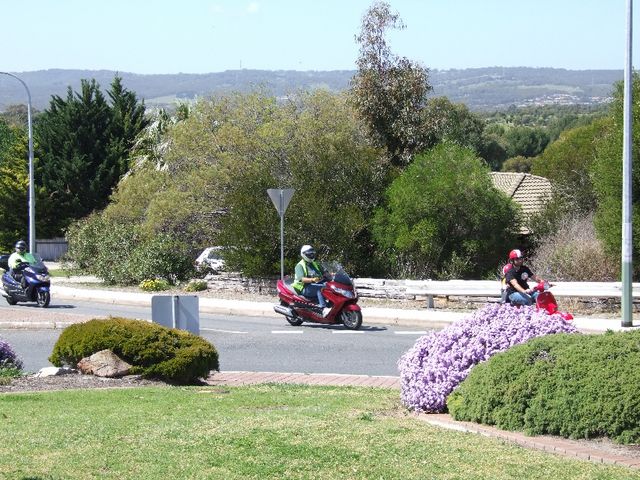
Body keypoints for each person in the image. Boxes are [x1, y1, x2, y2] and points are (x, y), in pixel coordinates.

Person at [292, 244, 330, 317]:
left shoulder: (315, 263)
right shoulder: (299, 265)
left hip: (314, 285)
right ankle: (323, 309)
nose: (312, 255)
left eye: (312, 253)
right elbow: (302, 279)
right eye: (309, 254)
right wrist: (312, 279)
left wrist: (332, 274)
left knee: (330, 286)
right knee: (321, 288)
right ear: (304, 254)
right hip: (304, 287)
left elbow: (324, 272)